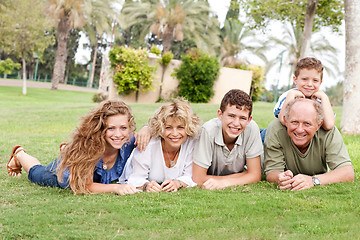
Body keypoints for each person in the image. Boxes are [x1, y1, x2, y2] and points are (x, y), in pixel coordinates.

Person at [6, 100, 150, 195]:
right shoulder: (90, 147)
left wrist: (146, 129)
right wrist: (117, 187)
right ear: (100, 128)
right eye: (111, 128)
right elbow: (85, 186)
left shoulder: (130, 140)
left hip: (82, 160)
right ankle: (19, 154)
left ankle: (67, 150)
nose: (118, 134)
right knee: (38, 174)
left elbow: (162, 132)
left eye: (123, 128)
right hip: (70, 175)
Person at [264, 98, 354, 191]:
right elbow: (272, 172)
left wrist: (313, 180)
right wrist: (280, 178)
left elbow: (347, 173)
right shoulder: (276, 129)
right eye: (294, 122)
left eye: (307, 124)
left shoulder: (328, 132)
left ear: (318, 125)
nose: (299, 129)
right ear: (285, 121)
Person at [192, 89, 263, 190]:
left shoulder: (252, 128)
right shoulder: (208, 131)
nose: (236, 123)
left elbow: (255, 175)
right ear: (220, 114)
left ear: (249, 120)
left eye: (242, 118)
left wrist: (225, 182)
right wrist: (244, 176)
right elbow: (198, 178)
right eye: (231, 116)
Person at [126, 98, 201, 192]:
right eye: (168, 128)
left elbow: (190, 176)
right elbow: (135, 178)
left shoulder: (191, 143)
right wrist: (146, 186)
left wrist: (178, 183)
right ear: (161, 128)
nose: (174, 133)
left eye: (180, 127)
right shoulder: (148, 144)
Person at [274, 57, 335, 130]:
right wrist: (291, 95)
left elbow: (329, 125)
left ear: (320, 82)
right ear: (295, 80)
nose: (309, 84)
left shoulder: (321, 100)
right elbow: (283, 120)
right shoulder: (288, 95)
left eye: (315, 80)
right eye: (304, 79)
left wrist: (325, 98)